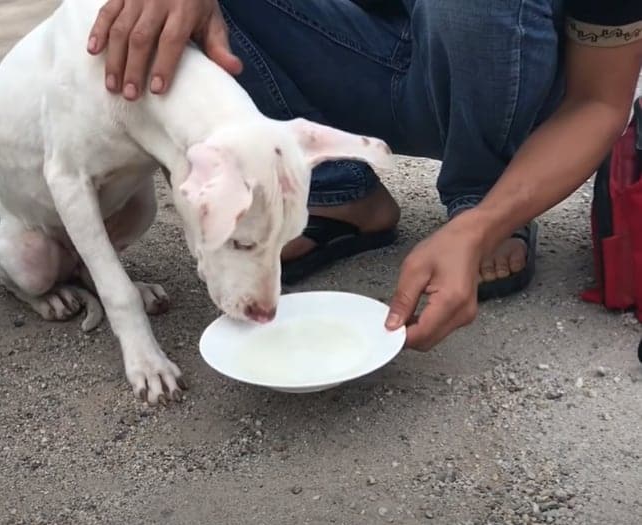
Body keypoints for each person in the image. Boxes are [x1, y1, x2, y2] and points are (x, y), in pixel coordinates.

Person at [85, 0, 642, 351]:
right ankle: (336, 193)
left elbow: (599, 101)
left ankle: (484, 200)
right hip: (357, 49)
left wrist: (482, 226)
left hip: (497, 61)